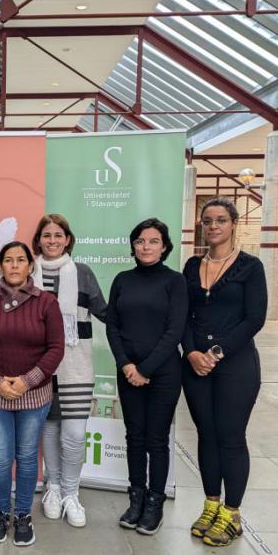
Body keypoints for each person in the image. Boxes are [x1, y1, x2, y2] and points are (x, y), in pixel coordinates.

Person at [182, 197, 267, 547]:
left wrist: (215, 353)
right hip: (195, 366)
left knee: (231, 437)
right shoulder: (191, 266)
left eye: (220, 220)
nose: (213, 226)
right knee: (206, 435)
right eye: (207, 221)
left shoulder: (251, 267)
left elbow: (255, 318)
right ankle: (211, 506)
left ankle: (232, 514)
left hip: (236, 365)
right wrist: (191, 352)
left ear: (233, 224)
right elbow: (182, 315)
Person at [0, 241, 65, 546]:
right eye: (8, 260)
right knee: (0, 459)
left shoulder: (46, 302)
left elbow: (56, 348)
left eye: (20, 260)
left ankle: (23, 515)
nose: (14, 265)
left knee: (26, 457)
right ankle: (1, 513)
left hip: (34, 396)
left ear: (30, 266)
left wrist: (27, 381)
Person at [106, 218, 187, 535]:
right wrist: (126, 365)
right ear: (133, 245)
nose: (146, 246)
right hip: (127, 372)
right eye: (140, 241)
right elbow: (112, 326)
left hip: (164, 373)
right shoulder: (122, 280)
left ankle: (155, 504)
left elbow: (175, 330)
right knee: (135, 437)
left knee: (156, 439)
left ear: (164, 246)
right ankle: (136, 499)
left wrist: (145, 369)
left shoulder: (175, 282)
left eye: (153, 241)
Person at [31, 214, 109, 528]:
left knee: (74, 435)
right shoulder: (28, 273)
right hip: (39, 367)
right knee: (50, 429)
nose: (52, 240)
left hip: (76, 366)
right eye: (46, 235)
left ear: (67, 240)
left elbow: (105, 312)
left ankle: (71, 493)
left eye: (58, 235)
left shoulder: (82, 273)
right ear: (38, 241)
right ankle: (52, 487)